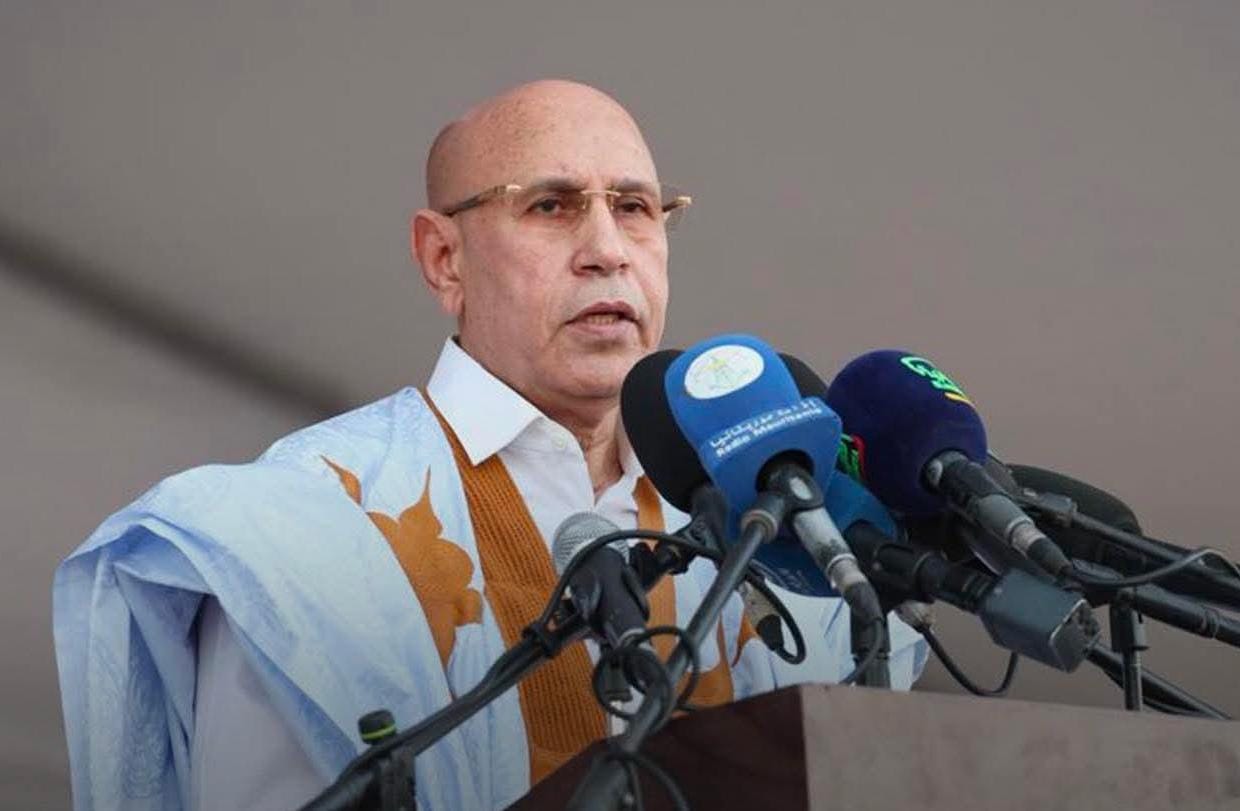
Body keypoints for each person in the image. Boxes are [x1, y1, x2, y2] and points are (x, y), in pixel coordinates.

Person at [53, 79, 926, 811]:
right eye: (551, 205)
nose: (608, 250)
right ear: (444, 259)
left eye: (634, 208)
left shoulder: (781, 518)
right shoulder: (295, 534)